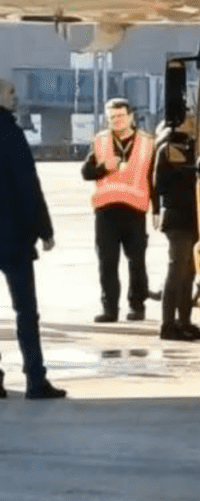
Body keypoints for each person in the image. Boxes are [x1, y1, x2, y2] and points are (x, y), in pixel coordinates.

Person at [0, 78, 67, 399]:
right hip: (12, 237)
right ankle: (34, 378)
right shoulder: (10, 133)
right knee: (25, 311)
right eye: (11, 92)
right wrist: (45, 229)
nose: (17, 97)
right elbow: (28, 183)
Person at [81, 98, 156, 323]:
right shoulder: (100, 141)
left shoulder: (147, 142)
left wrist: (157, 209)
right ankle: (110, 309)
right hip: (106, 211)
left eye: (120, 116)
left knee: (137, 262)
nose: (116, 121)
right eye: (111, 117)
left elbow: (154, 179)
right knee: (107, 262)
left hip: (135, 210)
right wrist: (104, 168)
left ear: (131, 116)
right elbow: (86, 172)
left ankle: (137, 305)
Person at [152, 113, 200, 341]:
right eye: (189, 119)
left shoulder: (194, 146)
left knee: (189, 271)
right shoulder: (167, 149)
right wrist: (156, 210)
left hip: (195, 216)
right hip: (177, 217)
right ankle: (168, 324)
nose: (194, 122)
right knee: (177, 269)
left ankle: (184, 321)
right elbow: (158, 184)